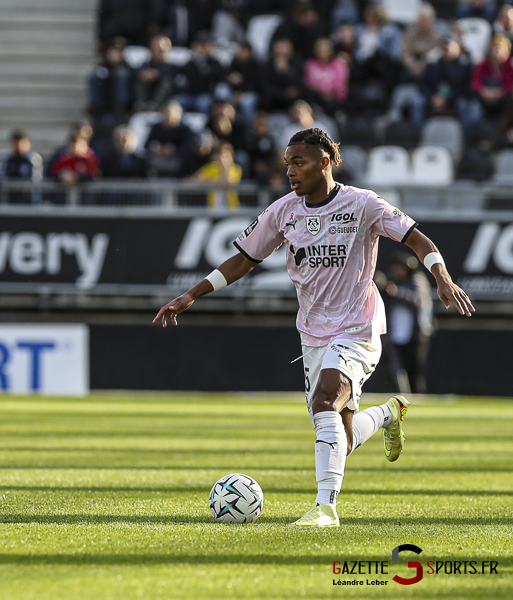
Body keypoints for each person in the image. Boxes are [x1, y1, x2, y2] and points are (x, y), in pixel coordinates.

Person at [154, 128, 474, 528]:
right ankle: (389, 413)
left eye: (298, 162)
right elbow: (243, 260)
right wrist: (192, 294)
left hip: (357, 326)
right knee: (341, 432)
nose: (290, 171)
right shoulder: (283, 211)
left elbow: (417, 239)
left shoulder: (362, 204)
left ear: (325, 162)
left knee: (325, 401)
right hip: (313, 332)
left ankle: (325, 509)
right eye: (287, 163)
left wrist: (442, 277)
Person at [382, 253, 435, 394]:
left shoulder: (417, 281)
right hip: (395, 334)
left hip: (416, 334)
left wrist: (395, 292)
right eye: (395, 268)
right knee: (396, 371)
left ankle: (418, 398)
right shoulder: (393, 282)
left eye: (401, 268)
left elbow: (417, 300)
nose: (398, 272)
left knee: (414, 371)